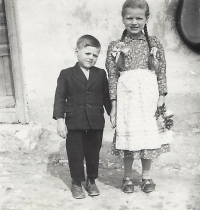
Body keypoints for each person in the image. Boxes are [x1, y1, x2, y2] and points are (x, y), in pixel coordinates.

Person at [105, 0, 172, 193]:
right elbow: (112, 77)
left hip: (149, 99)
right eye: (129, 18)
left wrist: (162, 97)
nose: (134, 22)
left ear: (146, 19)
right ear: (123, 18)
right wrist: (114, 104)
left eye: (139, 18)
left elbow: (161, 73)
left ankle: (147, 177)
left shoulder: (155, 44)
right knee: (129, 137)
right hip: (127, 100)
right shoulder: (115, 46)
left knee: (148, 136)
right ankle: (127, 177)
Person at [53, 35, 111, 199]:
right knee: (75, 153)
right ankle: (77, 182)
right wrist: (60, 120)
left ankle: (91, 180)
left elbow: (105, 97)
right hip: (74, 122)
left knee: (93, 152)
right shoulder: (66, 74)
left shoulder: (100, 74)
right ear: (77, 52)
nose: (91, 58)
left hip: (95, 122)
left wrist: (112, 113)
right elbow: (59, 98)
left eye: (95, 55)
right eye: (87, 53)